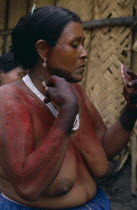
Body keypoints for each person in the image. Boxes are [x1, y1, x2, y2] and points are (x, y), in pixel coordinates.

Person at [0, 6, 137, 210]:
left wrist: (132, 109)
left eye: (83, 44)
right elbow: (28, 187)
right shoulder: (10, 101)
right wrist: (67, 113)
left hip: (97, 202)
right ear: (43, 49)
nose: (85, 53)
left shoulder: (73, 89)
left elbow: (101, 152)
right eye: (75, 45)